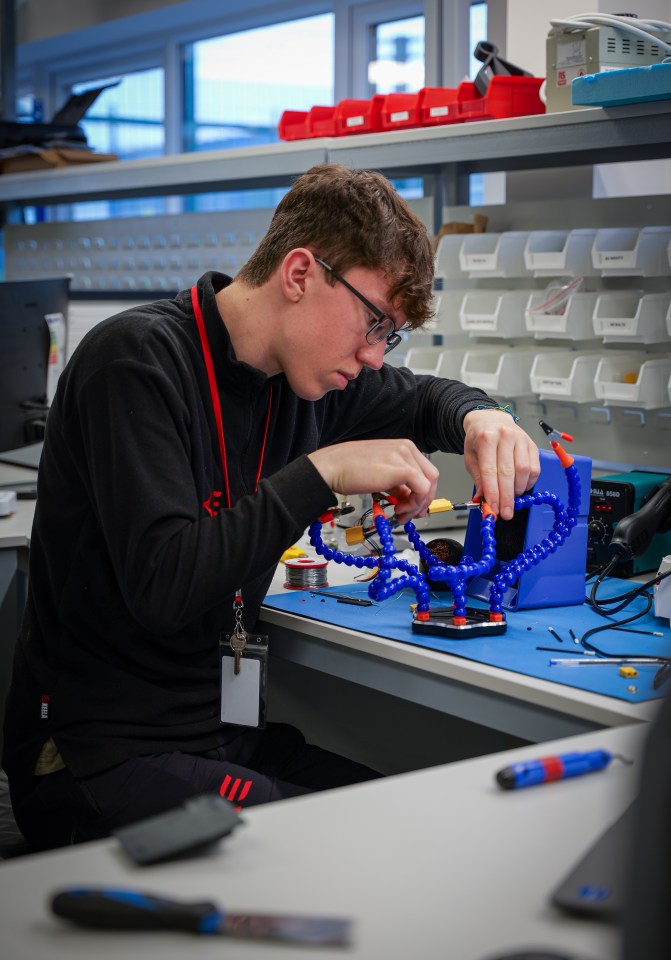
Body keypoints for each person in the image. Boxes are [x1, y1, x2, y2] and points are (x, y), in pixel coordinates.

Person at [3, 163, 540, 850]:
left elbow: (425, 398)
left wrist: (482, 419)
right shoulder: (134, 362)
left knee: (418, 821)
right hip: (95, 756)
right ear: (298, 275)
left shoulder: (308, 378)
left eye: (390, 336)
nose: (376, 357)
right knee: (367, 848)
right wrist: (321, 472)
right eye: (373, 322)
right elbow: (165, 588)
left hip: (222, 738)